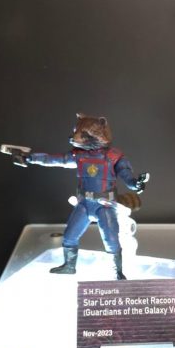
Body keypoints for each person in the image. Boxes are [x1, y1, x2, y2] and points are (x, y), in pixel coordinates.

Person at [13, 114, 148, 280]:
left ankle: (117, 272)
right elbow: (54, 159)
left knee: (111, 240)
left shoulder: (114, 156)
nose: (74, 137)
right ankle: (69, 266)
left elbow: (126, 175)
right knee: (69, 236)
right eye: (76, 132)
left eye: (82, 134)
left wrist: (136, 184)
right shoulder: (79, 155)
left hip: (104, 204)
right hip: (84, 204)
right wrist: (29, 157)